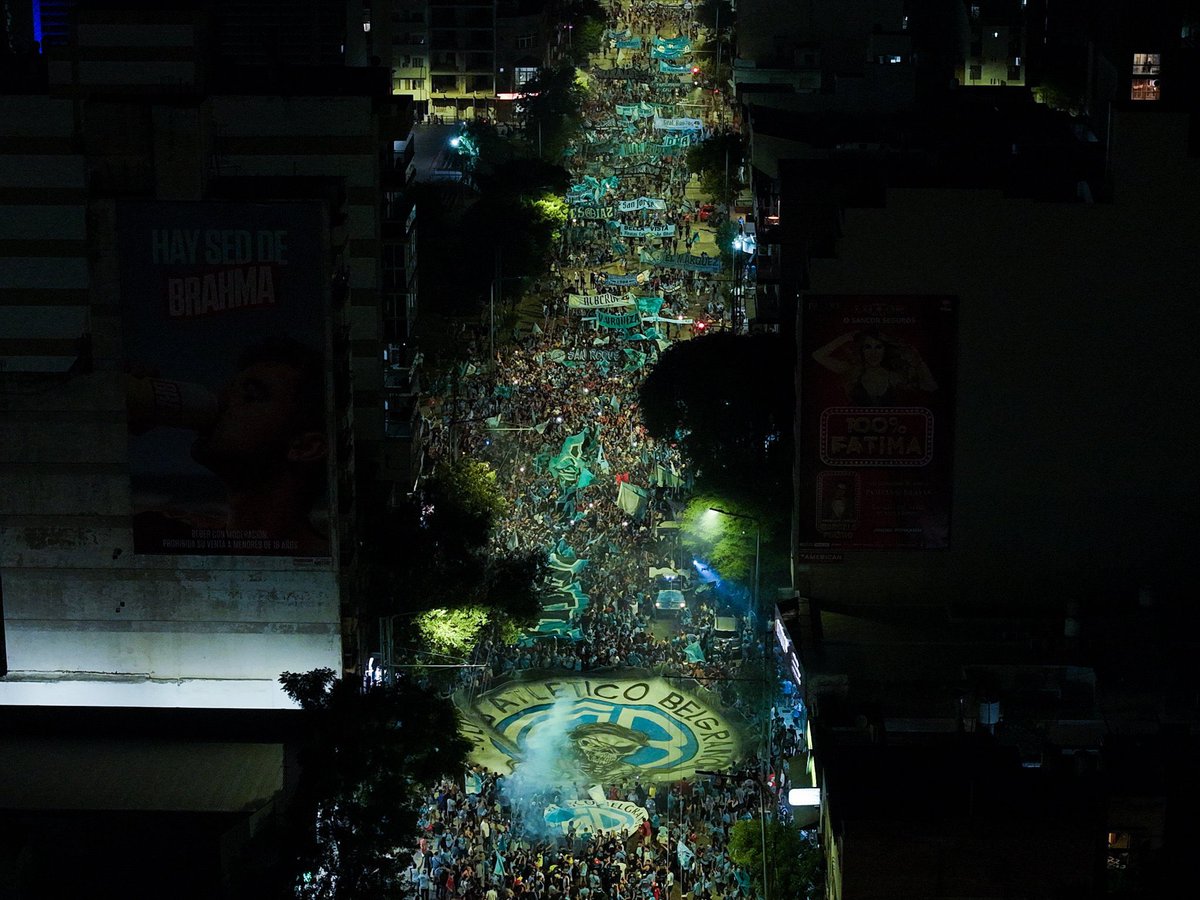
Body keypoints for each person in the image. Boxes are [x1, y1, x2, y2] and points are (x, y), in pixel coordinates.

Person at [130, 335, 331, 556]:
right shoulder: (158, 535)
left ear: (306, 447)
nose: (223, 401)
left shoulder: (331, 564)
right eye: (227, 391)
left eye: (250, 396)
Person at [811, 328, 938, 405]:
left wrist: (918, 361)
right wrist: (844, 338)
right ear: (861, 350)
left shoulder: (893, 376)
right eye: (868, 347)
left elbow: (930, 387)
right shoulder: (852, 370)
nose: (873, 353)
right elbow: (818, 355)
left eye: (878, 347)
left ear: (884, 350)